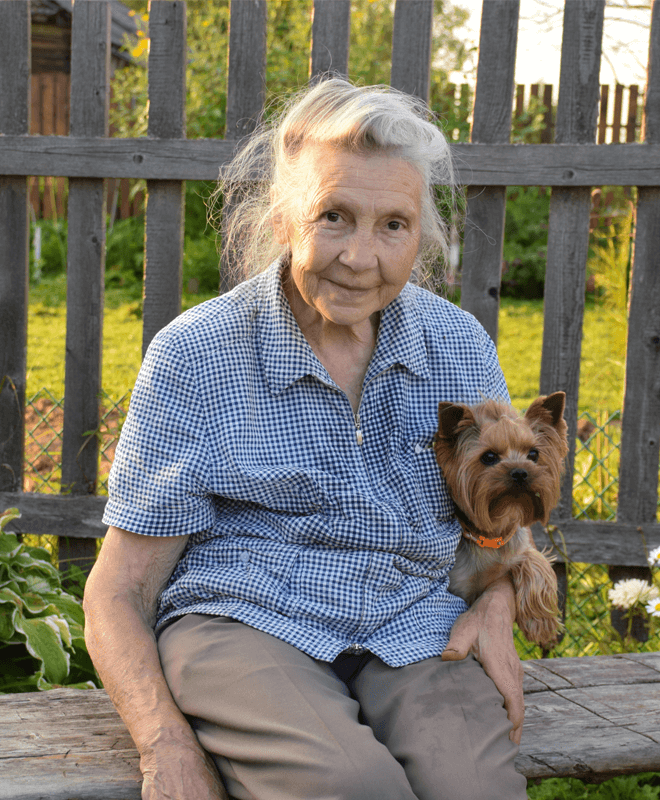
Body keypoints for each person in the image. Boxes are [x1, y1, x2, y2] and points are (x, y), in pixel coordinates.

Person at [84, 78, 527, 800]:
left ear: (422, 235)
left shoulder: (457, 346)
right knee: (351, 787)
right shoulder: (197, 355)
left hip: (411, 619)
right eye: (334, 216)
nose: (360, 256)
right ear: (283, 217)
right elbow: (119, 590)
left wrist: (497, 603)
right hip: (243, 622)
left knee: (475, 786)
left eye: (393, 225)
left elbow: (503, 515)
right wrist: (163, 744)